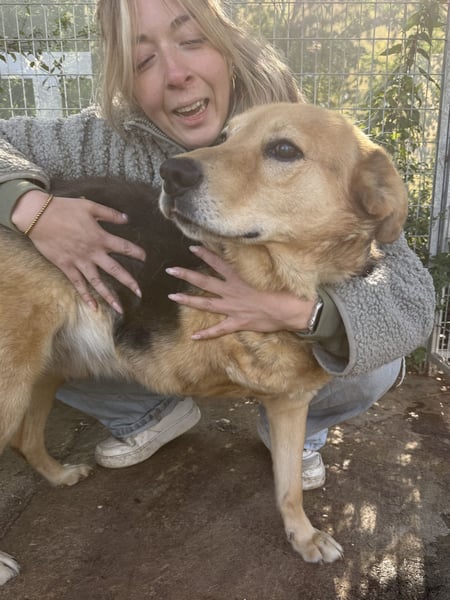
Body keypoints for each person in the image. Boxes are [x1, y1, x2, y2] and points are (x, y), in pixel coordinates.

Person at [0, 0, 435, 491]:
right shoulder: (99, 137)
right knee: (41, 337)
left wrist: (301, 313)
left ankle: (298, 431)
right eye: (143, 61)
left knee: (373, 356)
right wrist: (29, 206)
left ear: (227, 46)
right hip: (153, 331)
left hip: (280, 334)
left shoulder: (307, 129)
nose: (175, 74)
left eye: (191, 41)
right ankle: (147, 414)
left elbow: (409, 299)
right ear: (124, 80)